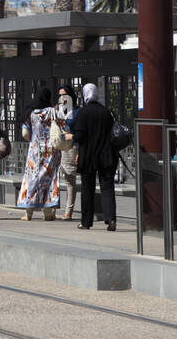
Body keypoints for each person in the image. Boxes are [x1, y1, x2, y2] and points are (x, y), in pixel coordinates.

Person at [72, 83, 119, 231]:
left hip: (88, 156)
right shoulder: (107, 112)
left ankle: (86, 222)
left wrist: (71, 136)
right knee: (107, 187)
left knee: (87, 189)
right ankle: (111, 219)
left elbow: (79, 136)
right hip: (106, 155)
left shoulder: (83, 113)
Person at [18, 87, 62, 220]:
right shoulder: (53, 111)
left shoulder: (31, 114)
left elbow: (25, 134)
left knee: (33, 178)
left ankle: (28, 212)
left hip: (35, 152)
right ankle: (48, 212)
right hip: (51, 151)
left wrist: (34, 140)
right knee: (50, 179)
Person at [56, 85, 80, 222]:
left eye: (64, 94)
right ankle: (58, 210)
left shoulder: (77, 112)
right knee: (63, 179)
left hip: (72, 147)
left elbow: (81, 132)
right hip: (58, 147)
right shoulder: (57, 111)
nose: (61, 97)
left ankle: (68, 212)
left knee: (70, 180)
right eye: (59, 95)